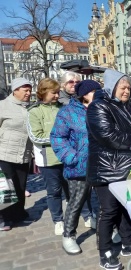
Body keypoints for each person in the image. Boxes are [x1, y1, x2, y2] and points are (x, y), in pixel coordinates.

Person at [86, 69, 131, 270]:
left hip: (128, 166)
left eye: (129, 88)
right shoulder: (98, 107)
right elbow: (108, 136)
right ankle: (105, 252)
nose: (127, 91)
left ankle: (128, 243)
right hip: (106, 169)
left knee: (126, 206)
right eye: (123, 87)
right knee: (109, 210)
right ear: (112, 87)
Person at [51, 80, 101, 255]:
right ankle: (68, 235)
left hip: (103, 165)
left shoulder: (102, 108)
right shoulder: (67, 112)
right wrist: (72, 157)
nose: (99, 94)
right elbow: (57, 137)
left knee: (105, 202)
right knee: (76, 201)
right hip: (79, 166)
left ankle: (106, 231)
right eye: (96, 91)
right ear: (84, 94)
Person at [27, 78, 68, 235]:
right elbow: (35, 137)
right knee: (54, 192)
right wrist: (59, 138)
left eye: (58, 92)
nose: (57, 96)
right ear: (43, 92)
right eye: (54, 93)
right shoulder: (34, 111)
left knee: (73, 190)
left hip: (67, 157)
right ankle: (58, 220)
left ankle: (79, 215)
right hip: (48, 160)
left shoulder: (63, 108)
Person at [0, 77, 33, 231]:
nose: (28, 92)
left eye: (30, 89)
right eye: (25, 90)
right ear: (15, 90)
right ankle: (4, 218)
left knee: (20, 185)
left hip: (24, 153)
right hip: (4, 152)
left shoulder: (30, 107)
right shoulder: (3, 106)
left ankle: (18, 213)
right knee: (6, 187)